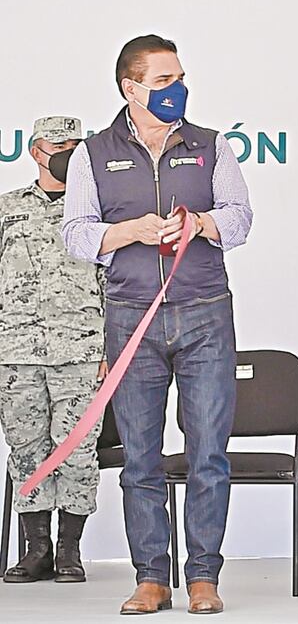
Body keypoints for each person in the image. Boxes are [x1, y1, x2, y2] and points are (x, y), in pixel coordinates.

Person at [62, 34, 253, 615]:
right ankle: (151, 577)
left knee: (208, 455)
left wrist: (200, 223)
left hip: (204, 315)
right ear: (131, 87)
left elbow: (241, 219)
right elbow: (76, 235)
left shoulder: (212, 145)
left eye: (179, 78)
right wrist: (132, 232)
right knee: (140, 458)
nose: (177, 89)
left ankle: (203, 578)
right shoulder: (92, 153)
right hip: (131, 319)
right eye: (164, 80)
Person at [1, 116, 105, 584]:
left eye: (75, 145)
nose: (66, 153)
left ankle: (69, 550)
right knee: (27, 449)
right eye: (57, 145)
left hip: (82, 349)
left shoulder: (101, 212)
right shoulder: (7, 210)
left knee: (77, 450)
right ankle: (36, 548)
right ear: (36, 151)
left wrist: (112, 347)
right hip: (16, 351)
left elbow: (116, 283)